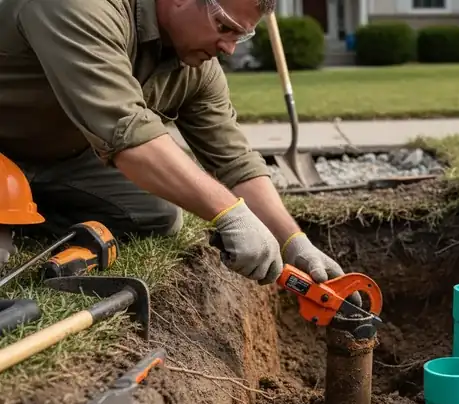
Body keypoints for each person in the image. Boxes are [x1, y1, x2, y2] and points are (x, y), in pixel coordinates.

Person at [0, 0, 357, 299]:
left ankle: (24, 218)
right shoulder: (80, 6)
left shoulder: (196, 65)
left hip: (59, 158)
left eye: (241, 35)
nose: (229, 48)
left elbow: (234, 159)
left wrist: (293, 241)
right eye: (224, 26)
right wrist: (229, 213)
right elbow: (127, 134)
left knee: (156, 214)